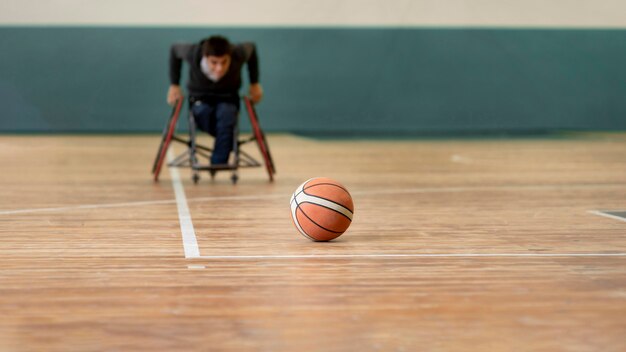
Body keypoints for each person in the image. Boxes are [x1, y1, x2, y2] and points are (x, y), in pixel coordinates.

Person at [167, 35, 263, 165]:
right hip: (199, 99)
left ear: (230, 56)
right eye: (214, 62)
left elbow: (251, 47)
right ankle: (224, 141)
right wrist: (174, 84)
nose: (219, 68)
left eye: (224, 62)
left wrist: (254, 83)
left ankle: (218, 163)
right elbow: (174, 49)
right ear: (205, 57)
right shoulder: (193, 52)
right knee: (205, 113)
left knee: (226, 115)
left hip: (227, 99)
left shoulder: (238, 53)